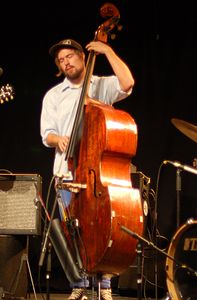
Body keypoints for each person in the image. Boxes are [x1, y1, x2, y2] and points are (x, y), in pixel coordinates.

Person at [40, 38, 135, 300]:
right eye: (61, 60)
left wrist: (107, 50)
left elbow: (127, 83)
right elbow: (46, 133)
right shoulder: (53, 95)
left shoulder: (101, 85)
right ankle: (78, 284)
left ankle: (104, 285)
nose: (66, 62)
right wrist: (58, 140)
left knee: (100, 229)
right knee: (72, 233)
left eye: (70, 56)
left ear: (83, 57)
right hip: (66, 172)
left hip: (95, 175)